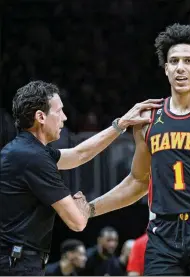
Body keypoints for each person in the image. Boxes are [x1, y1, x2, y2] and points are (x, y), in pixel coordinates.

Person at [73, 24, 190, 276]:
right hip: (163, 231)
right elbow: (137, 181)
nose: (180, 67)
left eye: (188, 61)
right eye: (173, 61)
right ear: (166, 69)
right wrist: (91, 208)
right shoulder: (147, 120)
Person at [0, 80, 162, 276]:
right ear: (41, 117)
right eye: (59, 111)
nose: (65, 117)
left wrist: (121, 124)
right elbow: (77, 222)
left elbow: (79, 154)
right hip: (16, 263)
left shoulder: (26, 150)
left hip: (17, 260)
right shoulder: (33, 158)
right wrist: (82, 206)